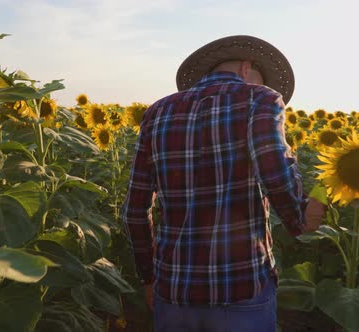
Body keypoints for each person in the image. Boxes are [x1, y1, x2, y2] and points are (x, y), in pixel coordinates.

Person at [121, 35, 327, 332]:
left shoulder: (157, 112)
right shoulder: (261, 99)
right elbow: (273, 170)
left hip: (174, 288)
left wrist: (148, 277)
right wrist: (300, 218)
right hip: (241, 289)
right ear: (246, 67)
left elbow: (135, 210)